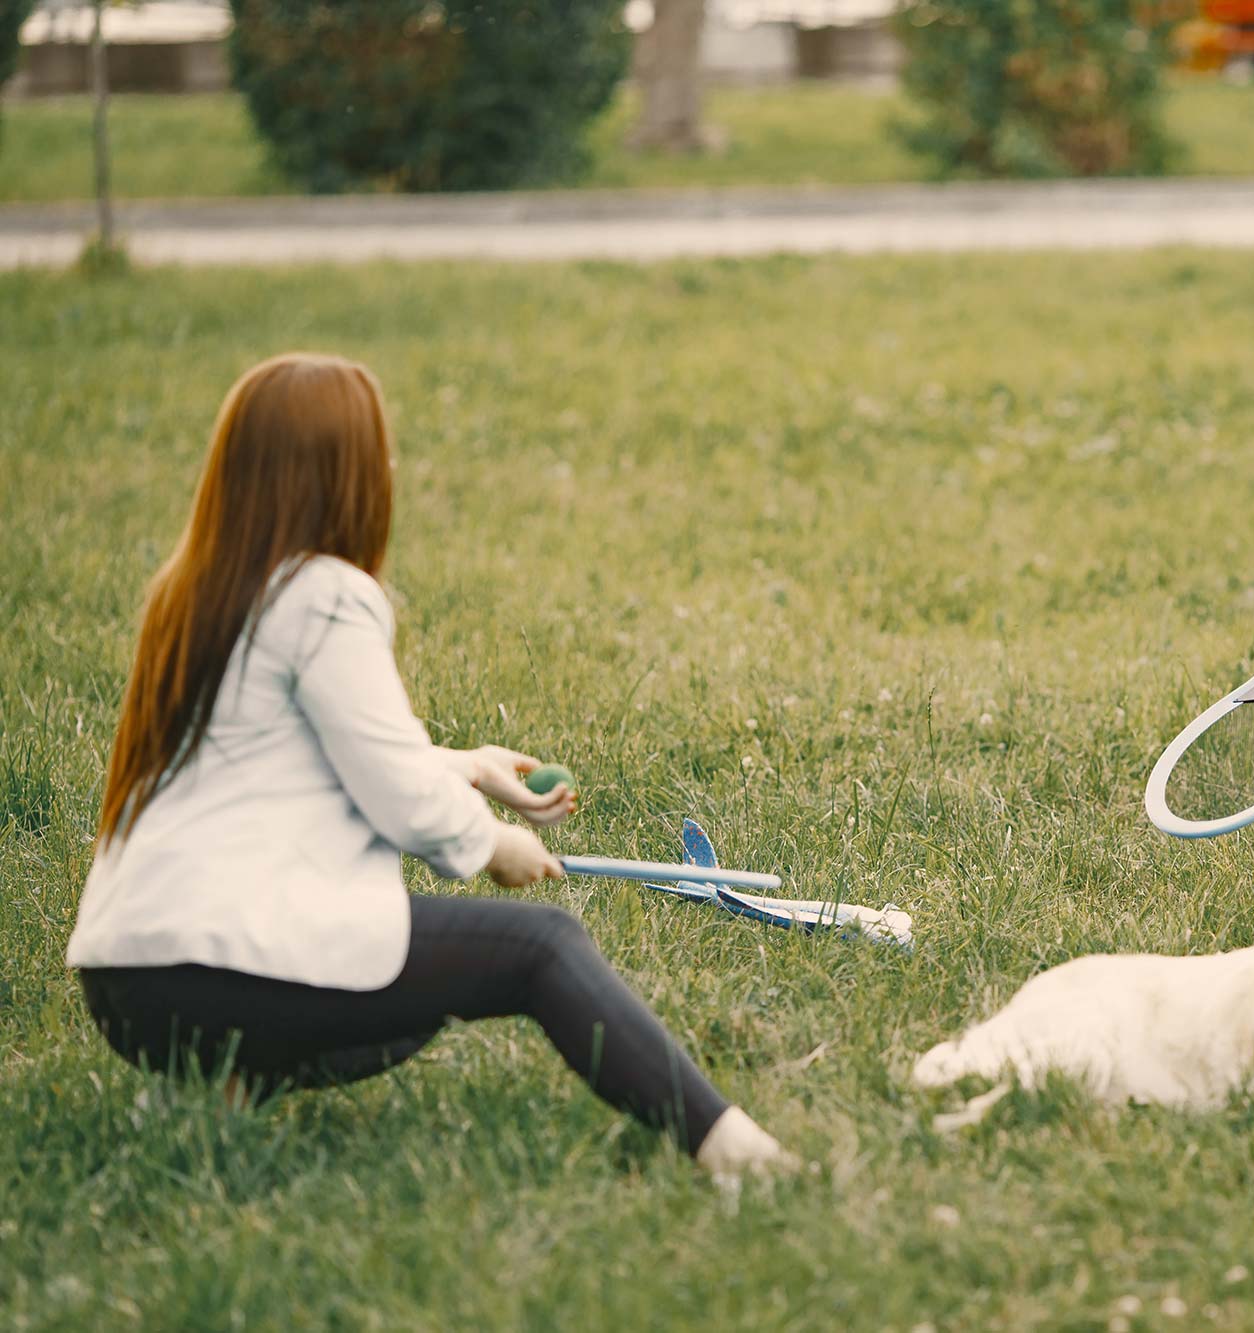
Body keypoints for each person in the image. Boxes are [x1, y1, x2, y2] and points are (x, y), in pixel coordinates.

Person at [65, 352, 792, 1182]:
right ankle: (737, 1149)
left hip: (126, 980)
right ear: (342, 476)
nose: (392, 471)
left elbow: (309, 758)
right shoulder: (325, 593)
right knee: (538, 948)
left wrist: (474, 767)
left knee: (418, 982)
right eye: (379, 454)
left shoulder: (198, 593)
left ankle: (217, 1101)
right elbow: (394, 792)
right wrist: (491, 845)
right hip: (214, 962)